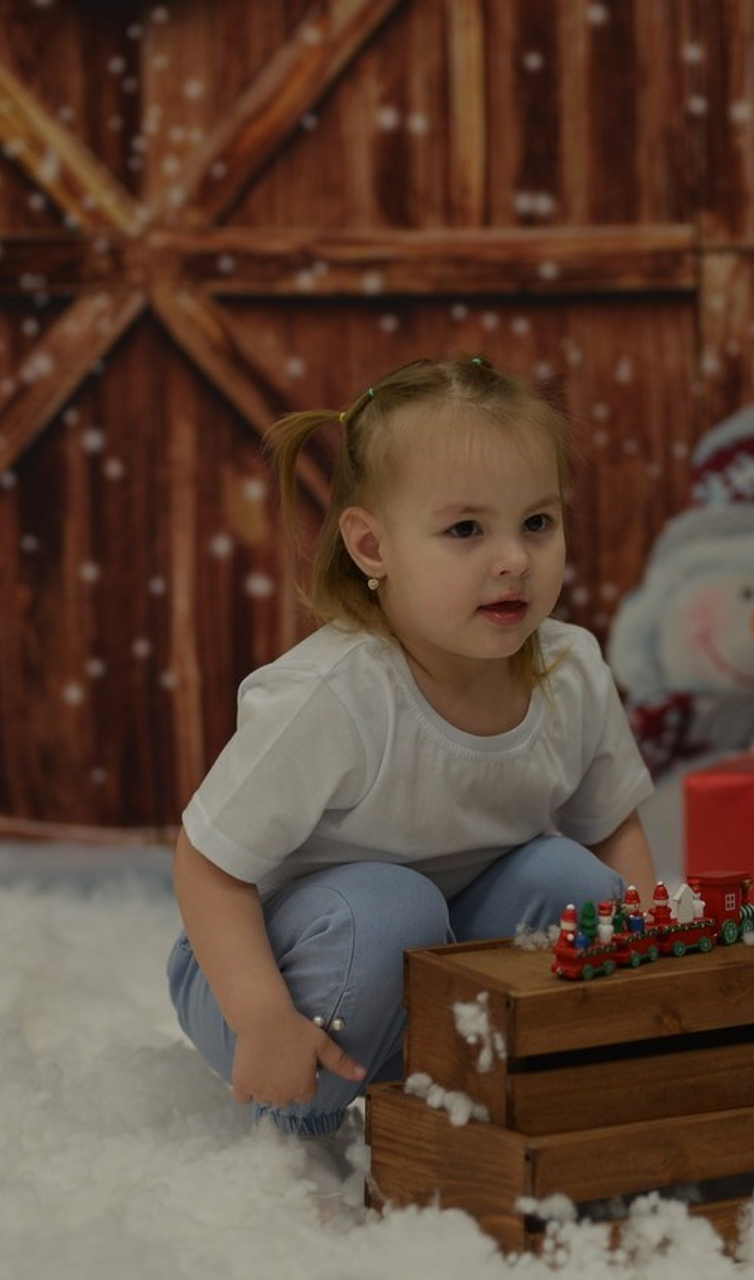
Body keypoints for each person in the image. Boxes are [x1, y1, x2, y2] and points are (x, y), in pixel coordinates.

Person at [166, 355, 657, 1166]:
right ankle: (308, 1133)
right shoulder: (334, 696)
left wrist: (645, 982)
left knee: (575, 886)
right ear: (372, 545)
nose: (512, 560)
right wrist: (261, 1018)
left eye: (536, 522)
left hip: (440, 957)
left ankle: (480, 1086)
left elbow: (612, 833)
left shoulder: (570, 671)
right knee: (388, 903)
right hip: (274, 969)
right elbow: (207, 866)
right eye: (466, 530)